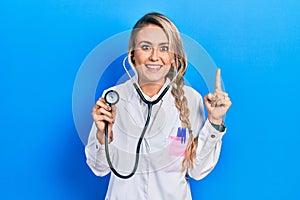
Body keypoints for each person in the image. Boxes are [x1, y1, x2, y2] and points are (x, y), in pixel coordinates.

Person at [85, 12, 232, 200]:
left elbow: (197, 171)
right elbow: (99, 169)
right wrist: (102, 135)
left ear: (173, 56)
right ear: (133, 53)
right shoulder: (113, 98)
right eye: (146, 47)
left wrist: (215, 122)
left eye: (164, 48)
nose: (154, 57)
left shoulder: (191, 99)